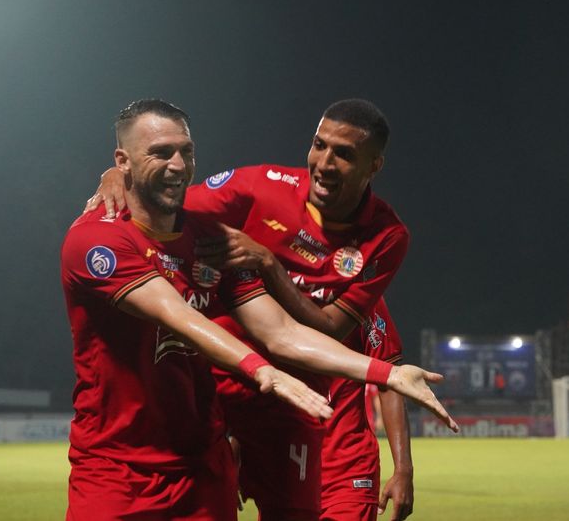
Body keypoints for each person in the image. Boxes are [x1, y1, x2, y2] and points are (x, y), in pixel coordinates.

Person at [69, 99, 457, 520]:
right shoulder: (98, 241)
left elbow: (290, 331)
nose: (179, 166)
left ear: (373, 166)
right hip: (128, 457)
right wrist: (117, 176)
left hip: (251, 430)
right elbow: (177, 313)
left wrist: (391, 373)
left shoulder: (221, 244)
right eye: (319, 145)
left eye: (187, 152)